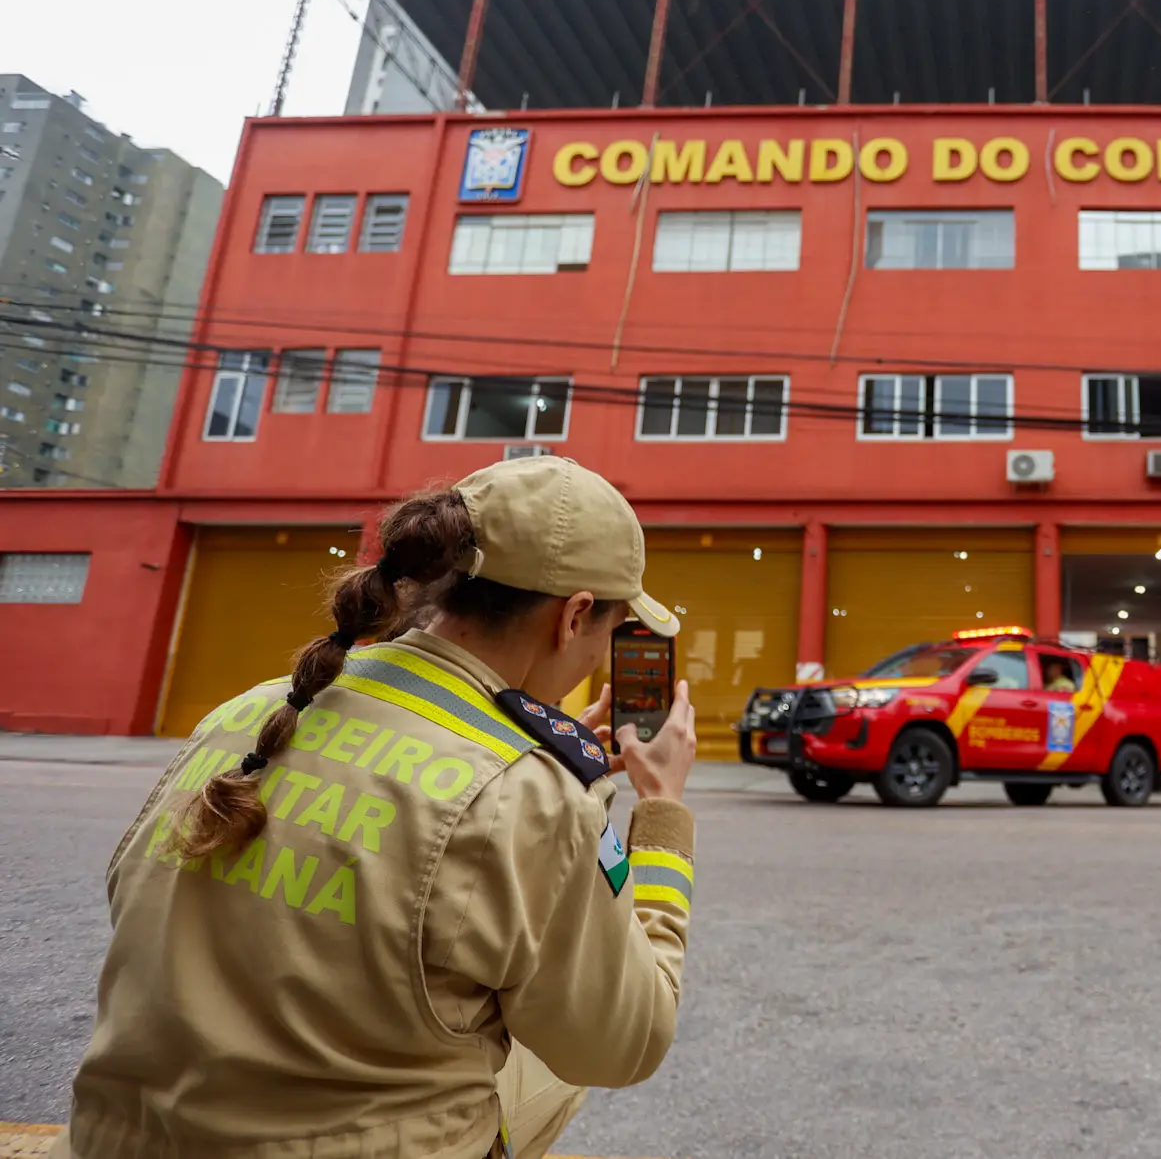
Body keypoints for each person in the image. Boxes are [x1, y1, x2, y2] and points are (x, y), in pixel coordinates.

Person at [55, 455, 697, 1159]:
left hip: (111, 1142)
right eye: (609, 630)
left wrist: (535, 741)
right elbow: (628, 1041)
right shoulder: (534, 794)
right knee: (562, 1040)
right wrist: (661, 810)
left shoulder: (248, 711)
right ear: (574, 616)